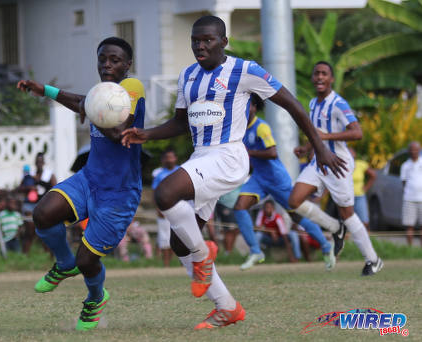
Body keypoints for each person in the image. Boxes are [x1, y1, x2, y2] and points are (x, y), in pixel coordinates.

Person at [122, 16, 345, 329]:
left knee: (165, 193)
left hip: (228, 156)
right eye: (195, 40)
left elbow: (292, 104)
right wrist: (147, 133)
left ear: (223, 42)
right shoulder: (188, 76)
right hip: (202, 158)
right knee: (178, 242)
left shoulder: (245, 70)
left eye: (208, 40)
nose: (200, 45)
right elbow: (179, 123)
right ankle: (227, 307)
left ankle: (203, 254)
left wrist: (319, 147)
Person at [16, 36, 145, 331]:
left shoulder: (132, 88)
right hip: (89, 179)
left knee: (87, 260)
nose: (107, 65)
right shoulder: (102, 94)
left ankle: (95, 298)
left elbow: (118, 134)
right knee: (43, 214)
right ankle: (63, 264)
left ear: (128, 65)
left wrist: (92, 107)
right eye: (102, 59)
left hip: (119, 194)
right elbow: (82, 103)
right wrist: (45, 90)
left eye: (114, 60)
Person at [288, 61, 383, 276]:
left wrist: (326, 137)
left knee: (348, 214)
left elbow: (357, 133)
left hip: (337, 163)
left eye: (324, 74)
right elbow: (316, 133)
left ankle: (373, 260)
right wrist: (305, 148)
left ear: (331, 79)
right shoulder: (313, 103)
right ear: (313, 78)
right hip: (318, 162)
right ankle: (335, 228)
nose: (319, 77)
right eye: (316, 74)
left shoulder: (339, 103)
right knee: (294, 200)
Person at [233, 94, 335, 271]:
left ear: (254, 108)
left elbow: (272, 153)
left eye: (247, 105)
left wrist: (248, 153)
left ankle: (326, 246)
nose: (243, 108)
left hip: (276, 178)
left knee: (296, 216)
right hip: (258, 178)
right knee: (240, 207)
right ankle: (256, 251)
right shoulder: (240, 129)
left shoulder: (261, 127)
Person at [152, 148, 180, 267]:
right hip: (164, 210)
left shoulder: (181, 172)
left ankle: (183, 263)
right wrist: (158, 208)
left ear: (175, 158)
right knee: (164, 237)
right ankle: (166, 264)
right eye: (167, 157)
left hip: (180, 209)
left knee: (181, 236)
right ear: (163, 160)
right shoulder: (159, 174)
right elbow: (155, 192)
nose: (169, 160)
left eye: (171, 157)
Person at [349, 146, 377, 230]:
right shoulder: (342, 165)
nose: (350, 155)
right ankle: (349, 241)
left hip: (359, 195)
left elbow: (373, 175)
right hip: (347, 197)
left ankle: (364, 239)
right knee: (349, 220)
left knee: (364, 220)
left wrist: (366, 188)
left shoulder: (360, 164)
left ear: (355, 155)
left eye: (352, 153)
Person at [400, 141, 422, 246]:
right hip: (409, 199)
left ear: (419, 150)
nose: (414, 152)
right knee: (410, 225)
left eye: (416, 149)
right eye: (412, 149)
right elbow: (403, 182)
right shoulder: (405, 165)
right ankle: (410, 250)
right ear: (409, 151)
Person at [16, 164, 38, 254]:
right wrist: (28, 188)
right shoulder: (25, 180)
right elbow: (20, 188)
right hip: (27, 205)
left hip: (34, 204)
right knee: (29, 228)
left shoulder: (32, 178)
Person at [215, 187, 240, 255]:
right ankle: (227, 252)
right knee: (229, 229)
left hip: (237, 206)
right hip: (225, 204)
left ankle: (229, 252)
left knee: (235, 230)